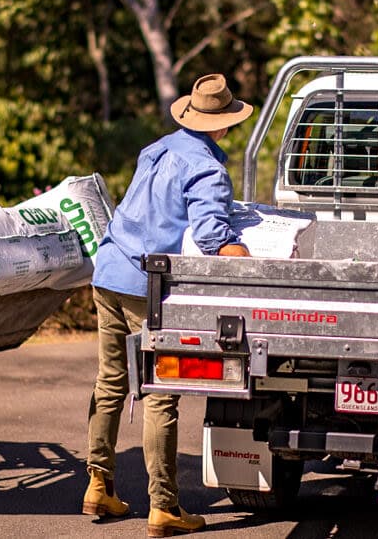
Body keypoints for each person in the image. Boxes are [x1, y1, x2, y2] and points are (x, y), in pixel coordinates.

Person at [82, 73, 253, 537]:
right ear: (223, 124)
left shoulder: (156, 149)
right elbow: (213, 235)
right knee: (160, 393)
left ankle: (98, 485)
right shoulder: (209, 168)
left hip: (109, 269)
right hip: (146, 283)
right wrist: (252, 260)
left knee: (111, 380)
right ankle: (164, 508)